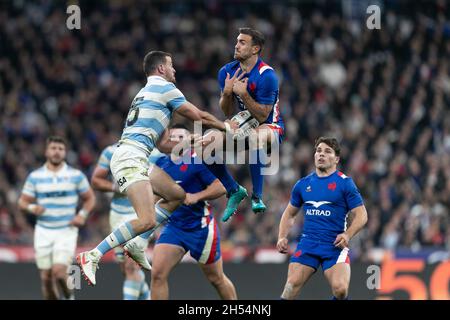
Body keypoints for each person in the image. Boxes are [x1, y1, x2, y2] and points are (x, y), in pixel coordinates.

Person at [76, 50, 238, 286]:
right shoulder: (165, 89)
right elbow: (199, 115)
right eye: (171, 65)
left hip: (136, 157)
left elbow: (163, 145)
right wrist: (226, 127)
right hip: (131, 158)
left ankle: (137, 244)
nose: (175, 70)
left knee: (176, 195)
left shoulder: (143, 94)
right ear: (161, 69)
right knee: (147, 220)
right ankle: (93, 255)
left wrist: (193, 140)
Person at [150, 125, 237, 300]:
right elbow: (154, 194)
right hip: (174, 227)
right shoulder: (160, 163)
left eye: (181, 136)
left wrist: (196, 196)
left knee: (216, 279)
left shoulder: (198, 160)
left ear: (190, 140)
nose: (176, 139)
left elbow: (220, 187)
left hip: (200, 229)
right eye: (172, 137)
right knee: (157, 274)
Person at [277, 137, 368, 300]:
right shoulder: (303, 184)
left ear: (337, 159)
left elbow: (362, 215)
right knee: (290, 288)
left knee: (340, 290)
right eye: (318, 151)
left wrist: (347, 235)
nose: (321, 154)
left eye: (327, 151)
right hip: (308, 243)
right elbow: (289, 213)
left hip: (333, 245)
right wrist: (282, 236)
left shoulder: (345, 183)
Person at [215, 27, 285, 221]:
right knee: (205, 144)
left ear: (255, 49)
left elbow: (264, 115)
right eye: (237, 41)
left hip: (270, 128)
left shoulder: (267, 75)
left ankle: (257, 196)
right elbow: (228, 112)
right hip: (246, 123)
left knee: (256, 136)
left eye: (242, 42)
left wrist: (244, 94)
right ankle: (233, 190)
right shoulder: (227, 71)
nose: (236, 45)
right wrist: (227, 93)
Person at [18, 136, 96, 300]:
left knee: (59, 273)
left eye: (60, 149)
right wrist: (33, 207)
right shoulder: (35, 177)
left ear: (65, 153)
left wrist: (82, 215)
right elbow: (22, 202)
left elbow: (90, 198)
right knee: (46, 278)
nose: (56, 152)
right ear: (46, 151)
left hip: (66, 230)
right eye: (53, 148)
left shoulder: (75, 176)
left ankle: (69, 297)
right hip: (43, 231)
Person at [90, 143, 150, 300]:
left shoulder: (154, 152)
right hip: (117, 214)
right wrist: (117, 187)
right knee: (127, 269)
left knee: (131, 267)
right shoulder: (110, 151)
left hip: (139, 213)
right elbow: (96, 180)